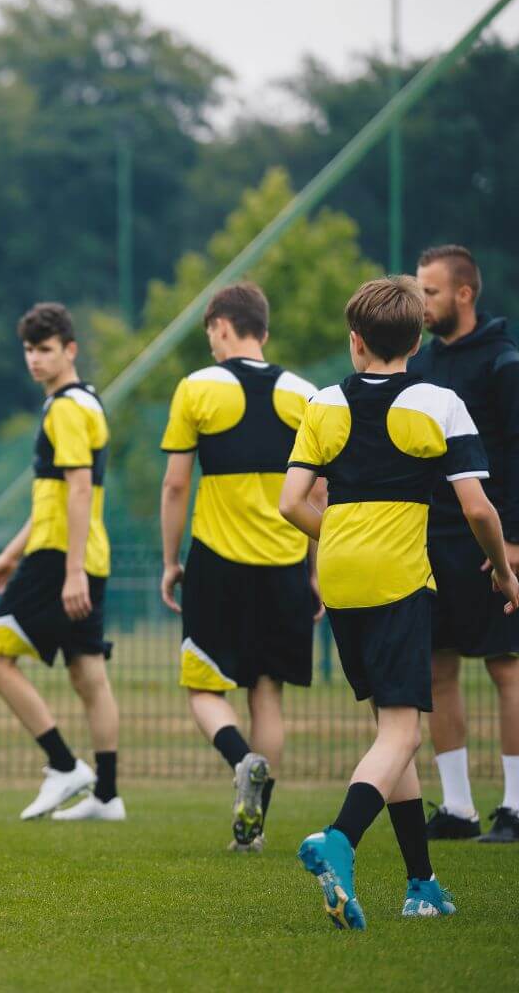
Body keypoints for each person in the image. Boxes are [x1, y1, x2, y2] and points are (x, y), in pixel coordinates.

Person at [280, 275, 519, 930]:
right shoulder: (439, 401)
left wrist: (342, 538)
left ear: (355, 341)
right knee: (403, 729)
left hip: (339, 573)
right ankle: (339, 840)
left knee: (393, 733)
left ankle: (422, 883)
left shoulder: (324, 403)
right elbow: (476, 506)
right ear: (417, 338)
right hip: (397, 577)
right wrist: (502, 568)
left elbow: (289, 502)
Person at [159, 283, 321, 852]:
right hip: (283, 566)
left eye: (210, 332)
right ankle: (255, 831)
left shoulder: (196, 389)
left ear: (223, 326)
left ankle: (239, 759)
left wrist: (169, 559)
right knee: (267, 694)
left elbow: (178, 483)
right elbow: (319, 491)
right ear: (265, 332)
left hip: (217, 563)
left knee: (203, 687)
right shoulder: (305, 394)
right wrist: (315, 570)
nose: (210, 342)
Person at [408, 245, 519, 843]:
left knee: (504, 664)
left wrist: (511, 536)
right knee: (438, 669)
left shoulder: (506, 362)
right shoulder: (423, 364)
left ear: (464, 294)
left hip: (487, 540)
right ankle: (458, 809)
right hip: (429, 540)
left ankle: (517, 810)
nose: (420, 301)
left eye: (430, 292)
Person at [0, 303, 123, 822]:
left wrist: (72, 571)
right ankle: (107, 795)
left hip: (62, 557)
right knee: (88, 673)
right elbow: (55, 497)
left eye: (45, 350)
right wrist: (7, 556)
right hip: (78, 552)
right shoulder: (87, 402)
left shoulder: (65, 407)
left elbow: (79, 489)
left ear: (70, 350)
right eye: (29, 351)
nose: (35, 360)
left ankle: (64, 766)